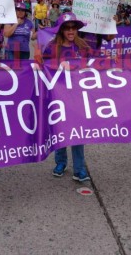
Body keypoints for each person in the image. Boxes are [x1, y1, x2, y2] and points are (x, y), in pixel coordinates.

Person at [41, 12, 92, 182]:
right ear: (61, 30)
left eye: (74, 28)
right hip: (58, 94)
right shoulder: (51, 47)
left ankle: (79, 169)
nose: (71, 31)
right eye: (67, 28)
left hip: (78, 95)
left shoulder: (83, 47)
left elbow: (91, 69)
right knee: (61, 130)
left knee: (78, 132)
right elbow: (43, 68)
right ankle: (60, 163)